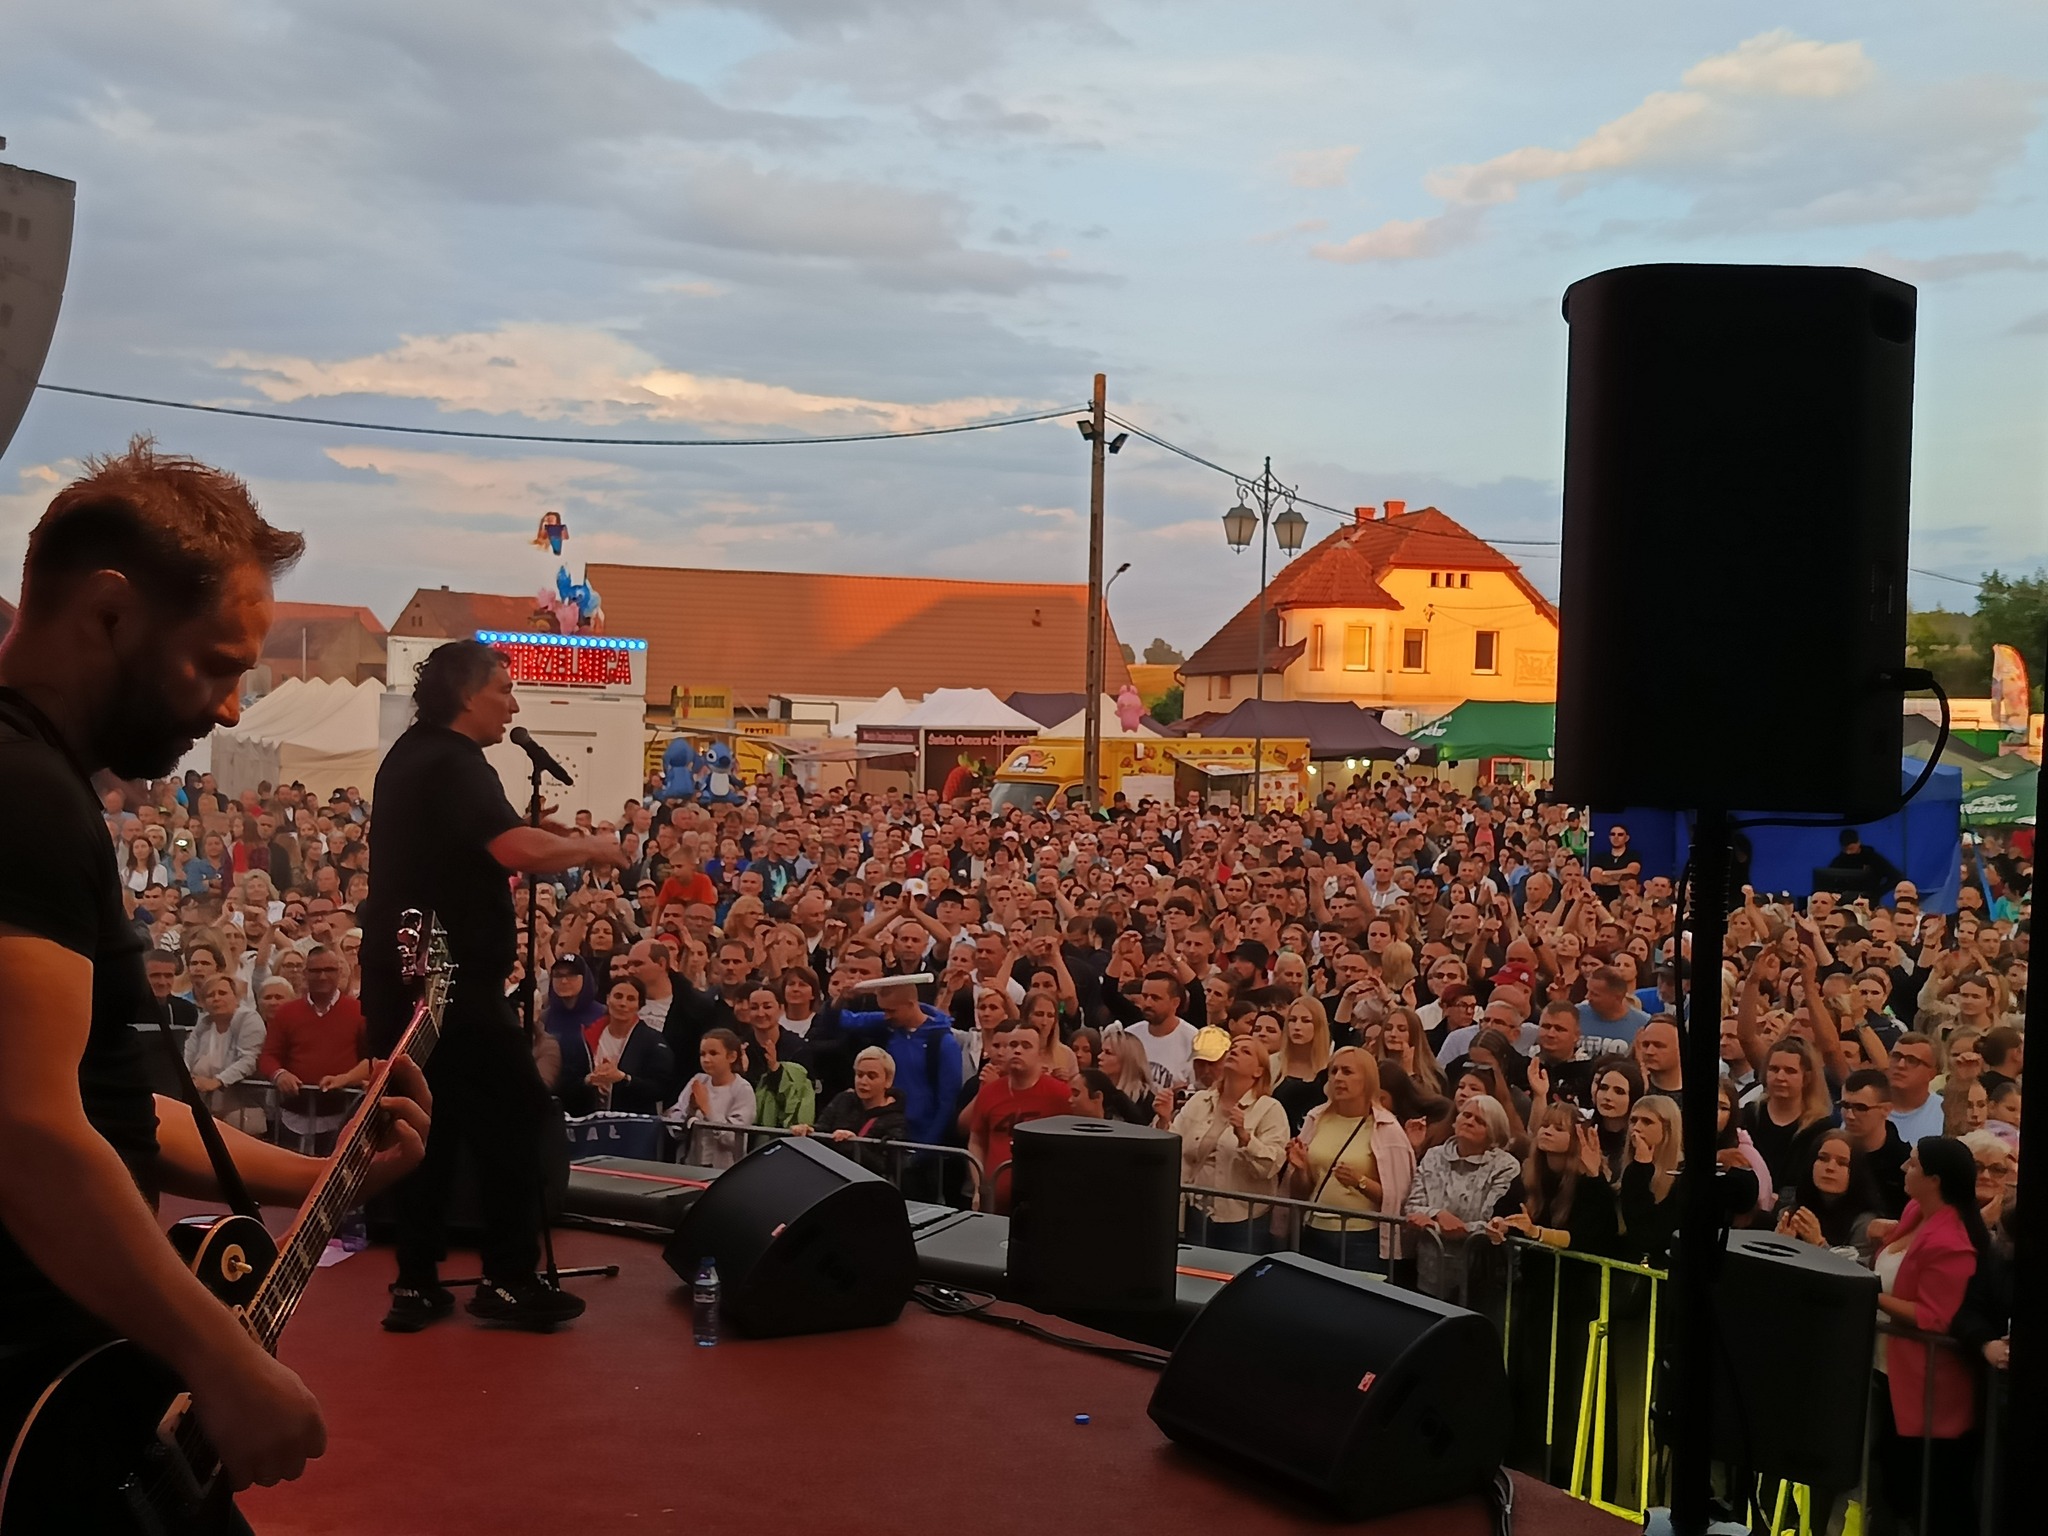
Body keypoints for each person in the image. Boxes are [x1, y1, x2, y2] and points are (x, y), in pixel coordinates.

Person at [0, 440, 428, 1497]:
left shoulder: (39, 784)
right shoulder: (23, 798)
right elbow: (28, 1135)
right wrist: (221, 1359)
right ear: (109, 612)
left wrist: (323, 1178)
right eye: (215, 664)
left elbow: (106, 1111)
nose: (231, 708)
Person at [358, 637, 629, 1333]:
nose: (513, 705)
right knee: (520, 1118)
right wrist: (593, 847)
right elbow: (512, 849)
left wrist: (535, 831)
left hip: (404, 979)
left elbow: (467, 844)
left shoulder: (411, 755)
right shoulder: (454, 760)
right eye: (504, 690)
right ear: (465, 694)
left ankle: (416, 1284)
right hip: (450, 986)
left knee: (430, 1126)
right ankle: (508, 1279)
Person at [1870, 1137, 1989, 1536]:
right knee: (1889, 1479)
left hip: (1928, 1388)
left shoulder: (1951, 1242)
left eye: (1914, 1164)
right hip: (1888, 1369)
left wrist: (1871, 1296)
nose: (1904, 1168)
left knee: (1927, 1495)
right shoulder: (1915, 1211)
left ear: (1935, 1180)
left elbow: (1935, 1318)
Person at [1288, 1046, 1414, 1272]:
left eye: (1347, 1072)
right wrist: (1300, 1169)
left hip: (1361, 1239)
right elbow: (1301, 1192)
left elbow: (1398, 1199)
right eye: (1334, 1071)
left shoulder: (1387, 1128)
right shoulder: (1316, 1118)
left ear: (1367, 1080)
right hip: (1314, 1231)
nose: (1338, 1078)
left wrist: (1360, 1182)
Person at [1174, 1036, 1290, 1251]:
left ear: (1258, 1071)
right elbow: (1174, 1144)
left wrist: (1245, 1137)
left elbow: (1271, 1166)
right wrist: (1163, 1118)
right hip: (1197, 1213)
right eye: (1233, 1047)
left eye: (1246, 1051)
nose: (1235, 1051)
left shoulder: (1270, 1109)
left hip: (1243, 1219)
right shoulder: (1200, 1101)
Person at [1405, 1095, 1519, 1300]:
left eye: (1480, 1121)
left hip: (1480, 1276)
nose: (1470, 1121)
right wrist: (1438, 1215)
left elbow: (1492, 1222)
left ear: (1494, 1132)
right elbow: (1413, 1206)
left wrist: (1442, 1226)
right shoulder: (1433, 1155)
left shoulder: (1506, 1166)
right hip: (1429, 1271)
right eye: (1466, 1115)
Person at [258, 945, 368, 1153]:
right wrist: (280, 1074)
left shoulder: (358, 1011)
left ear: (339, 972)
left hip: (342, 1113)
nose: (322, 976)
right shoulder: (286, 1012)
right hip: (293, 1114)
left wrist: (344, 1079)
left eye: (329, 970)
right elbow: (268, 1056)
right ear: (305, 973)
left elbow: (371, 1060)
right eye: (316, 971)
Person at [963, 1018, 1072, 1213]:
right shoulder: (989, 1092)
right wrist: (979, 1188)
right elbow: (976, 1140)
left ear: (1040, 1053)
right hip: (995, 1200)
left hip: (1044, 1201)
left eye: (1026, 1046)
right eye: (1013, 1045)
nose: (1017, 1050)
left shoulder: (1060, 1094)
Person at [1739, 1037, 1834, 1193]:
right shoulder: (1748, 1116)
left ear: (1806, 1078)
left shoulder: (1820, 1128)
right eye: (1774, 1069)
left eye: (1790, 1071)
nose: (1780, 1077)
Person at [576, 976, 677, 1116]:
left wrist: (624, 1079)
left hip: (633, 1122)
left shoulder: (653, 1041)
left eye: (631, 999)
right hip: (590, 1119)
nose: (623, 1003)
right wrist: (589, 1080)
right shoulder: (586, 1035)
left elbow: (661, 1088)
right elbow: (569, 1082)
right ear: (608, 999)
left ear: (639, 1005)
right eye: (618, 996)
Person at [798, 1045, 906, 1176]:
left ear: (888, 1081)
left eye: (871, 1076)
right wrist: (809, 1130)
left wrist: (854, 1145)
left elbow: (888, 1166)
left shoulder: (896, 1120)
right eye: (859, 1075)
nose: (863, 1081)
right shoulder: (843, 1099)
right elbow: (822, 1128)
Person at [1775, 1130, 1882, 1259]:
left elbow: (1857, 1270)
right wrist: (1782, 1244)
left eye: (1842, 1163)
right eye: (1823, 1158)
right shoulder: (1789, 1209)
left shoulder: (1865, 1224)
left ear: (1856, 1171)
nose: (1830, 1168)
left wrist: (1819, 1243)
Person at [673, 1027, 757, 1170]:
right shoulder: (699, 1080)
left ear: (731, 1057)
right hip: (691, 1164)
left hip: (725, 1169)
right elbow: (674, 1120)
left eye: (713, 1053)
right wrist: (690, 1111)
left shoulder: (742, 1089)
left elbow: (733, 1139)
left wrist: (707, 1109)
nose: (706, 1059)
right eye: (702, 1054)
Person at [1272, 995, 1333, 1134]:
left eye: (1306, 1021)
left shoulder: (1331, 1069)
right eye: (1292, 1020)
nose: (1297, 1027)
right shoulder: (1272, 1064)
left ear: (1318, 1025)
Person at [1885, 1031, 1946, 1143]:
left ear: (1932, 1073)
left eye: (1912, 1061)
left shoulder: (1944, 1113)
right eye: (1896, 1057)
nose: (1900, 1065)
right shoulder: (1867, 1108)